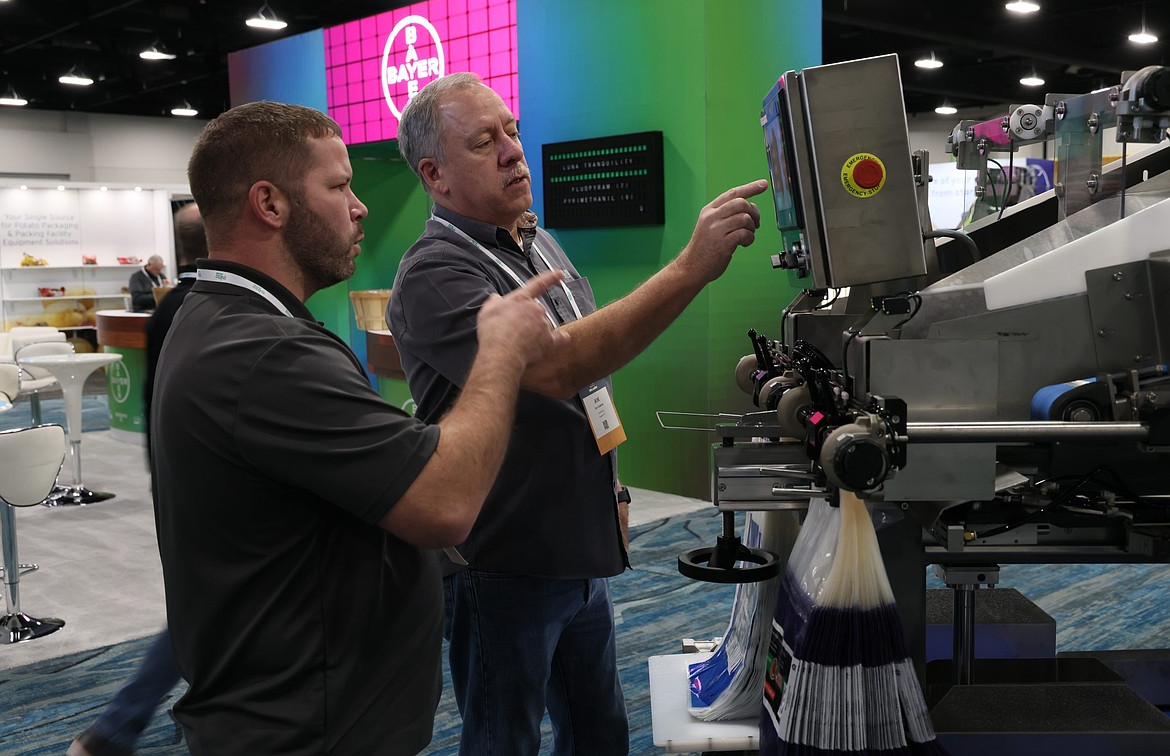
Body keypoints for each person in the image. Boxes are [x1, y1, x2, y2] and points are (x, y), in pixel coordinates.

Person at [150, 101, 566, 755]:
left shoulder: (221, 319)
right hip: (310, 731)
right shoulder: (263, 352)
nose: (360, 206)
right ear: (270, 203)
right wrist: (500, 352)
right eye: (339, 186)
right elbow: (446, 502)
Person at [388, 72, 767, 756]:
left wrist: (613, 488)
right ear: (434, 175)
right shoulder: (435, 274)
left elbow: (591, 379)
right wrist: (690, 267)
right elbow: (558, 367)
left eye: (512, 131)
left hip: (578, 543)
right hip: (504, 560)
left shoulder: (535, 241)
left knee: (599, 731)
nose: (513, 151)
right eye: (484, 141)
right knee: (503, 739)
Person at [68, 202, 206, 756]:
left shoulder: (175, 303)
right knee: (200, 609)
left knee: (203, 607)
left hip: (177, 479)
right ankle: (114, 728)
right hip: (199, 487)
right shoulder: (200, 307)